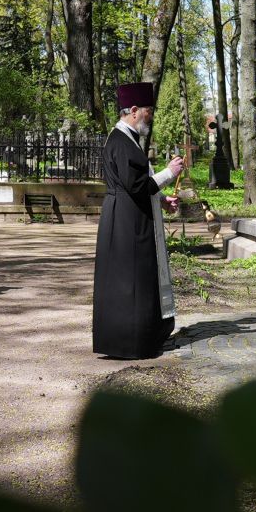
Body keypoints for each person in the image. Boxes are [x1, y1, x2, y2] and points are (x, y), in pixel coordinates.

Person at [92, 82, 185, 359]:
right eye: (148, 111)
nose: (150, 116)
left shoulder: (126, 139)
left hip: (127, 215)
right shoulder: (121, 141)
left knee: (134, 278)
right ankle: (129, 342)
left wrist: (161, 199)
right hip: (126, 221)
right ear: (133, 111)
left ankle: (140, 338)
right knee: (129, 280)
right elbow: (134, 185)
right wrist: (169, 173)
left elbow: (138, 183)